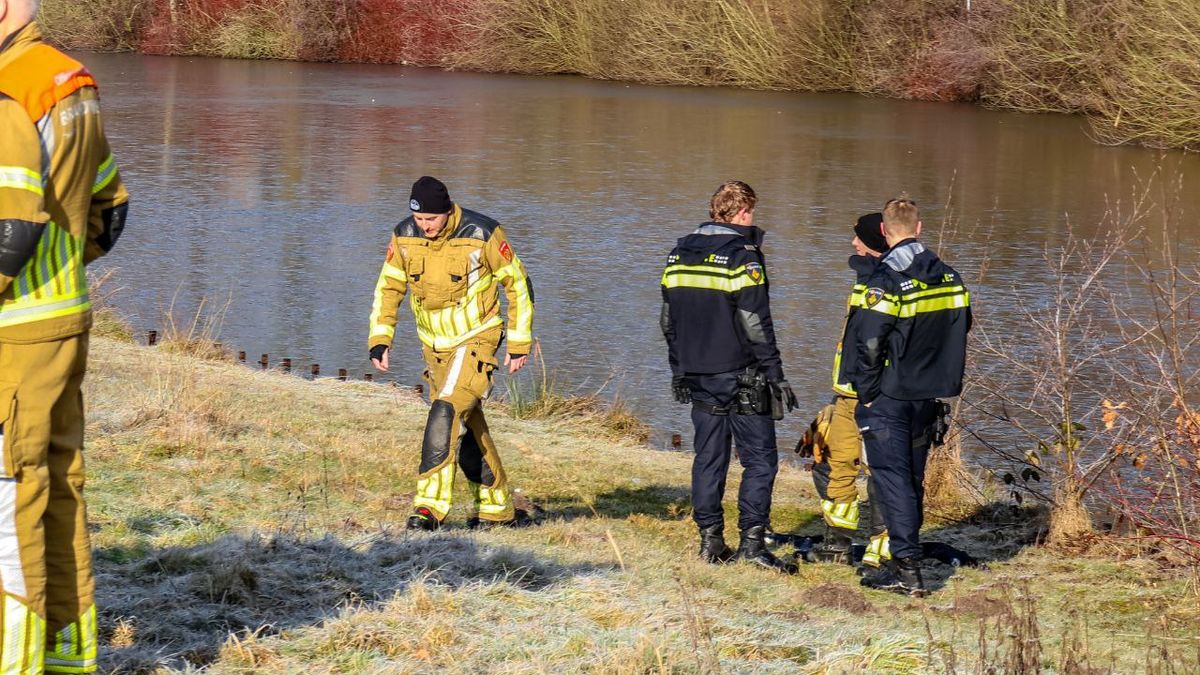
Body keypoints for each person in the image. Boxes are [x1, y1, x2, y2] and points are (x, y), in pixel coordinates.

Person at [0, 0, 130, 670]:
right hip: (59, 322)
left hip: (11, 336)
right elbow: (111, 208)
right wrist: (61, 272)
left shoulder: (9, 87)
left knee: (8, 499)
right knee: (57, 485)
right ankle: (65, 654)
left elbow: (8, 232)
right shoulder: (67, 79)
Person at [368, 176, 534, 531]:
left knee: (445, 414)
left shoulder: (482, 233)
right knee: (466, 423)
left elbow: (517, 283)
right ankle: (496, 508)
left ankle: (429, 508)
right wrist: (380, 338)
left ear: (447, 210)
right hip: (434, 349)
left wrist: (519, 343)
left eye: (431, 219)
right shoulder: (403, 235)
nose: (424, 226)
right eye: (419, 219)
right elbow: (388, 287)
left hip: (477, 339)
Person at [660, 180, 798, 572]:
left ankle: (711, 541)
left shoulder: (678, 255)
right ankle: (752, 544)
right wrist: (775, 373)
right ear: (742, 214)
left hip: (697, 372)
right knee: (760, 461)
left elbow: (668, 321)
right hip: (742, 374)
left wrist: (678, 369)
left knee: (708, 458)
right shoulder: (744, 257)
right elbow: (755, 322)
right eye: (751, 213)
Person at [850, 197, 971, 596]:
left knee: (893, 479)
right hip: (929, 396)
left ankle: (906, 569)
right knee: (912, 479)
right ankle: (907, 559)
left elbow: (868, 342)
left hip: (890, 394)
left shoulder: (884, 279)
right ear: (919, 229)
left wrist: (866, 392)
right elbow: (961, 325)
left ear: (884, 231)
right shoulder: (951, 277)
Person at [803, 213, 892, 567]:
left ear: (875, 240)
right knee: (828, 460)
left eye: (858, 238)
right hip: (847, 394)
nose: (853, 244)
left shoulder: (887, 282)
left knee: (882, 473)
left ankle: (881, 552)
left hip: (873, 396)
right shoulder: (866, 278)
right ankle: (837, 545)